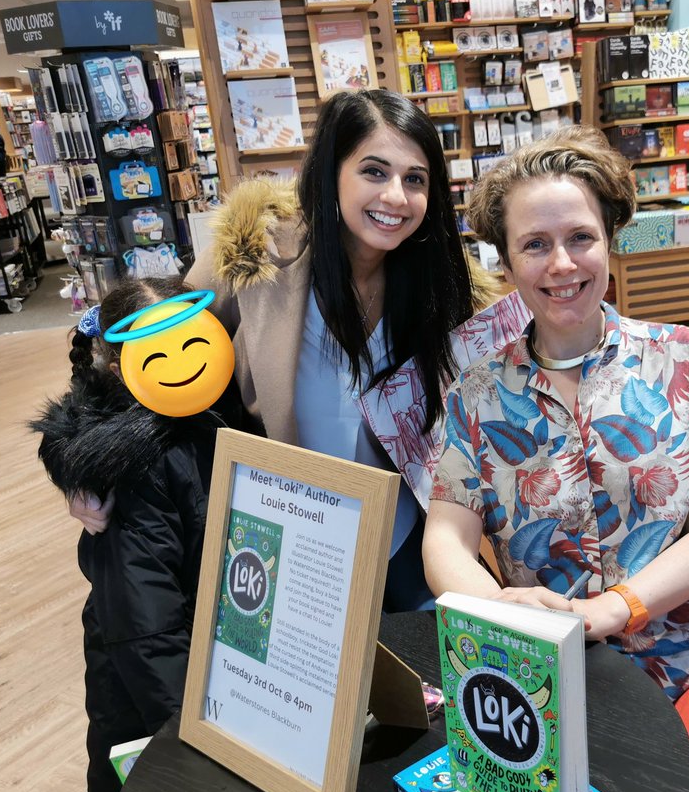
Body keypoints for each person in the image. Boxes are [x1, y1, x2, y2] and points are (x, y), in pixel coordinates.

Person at [421, 126, 689, 792]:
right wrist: (507, 614)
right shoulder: (476, 395)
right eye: (535, 245)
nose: (561, 264)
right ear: (506, 260)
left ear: (611, 238)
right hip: (560, 676)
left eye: (580, 237)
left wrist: (613, 609)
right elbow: (446, 537)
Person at [71, 89, 504, 610]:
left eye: (415, 179)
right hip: (287, 548)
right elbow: (157, 364)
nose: (396, 196)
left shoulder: (445, 290)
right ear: (332, 170)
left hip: (405, 543)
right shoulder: (253, 257)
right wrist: (88, 465)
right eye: (374, 171)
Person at [31, 277, 234, 792]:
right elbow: (146, 625)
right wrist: (193, 730)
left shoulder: (205, 423)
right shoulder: (136, 465)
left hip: (193, 670)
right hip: (160, 698)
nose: (181, 359)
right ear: (121, 368)